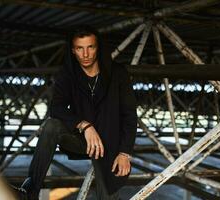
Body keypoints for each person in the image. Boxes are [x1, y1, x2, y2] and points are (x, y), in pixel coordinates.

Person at [16, 25, 137, 200]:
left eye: (90, 47)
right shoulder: (68, 74)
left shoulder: (118, 73)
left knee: (109, 195)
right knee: (52, 125)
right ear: (73, 51)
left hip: (110, 144)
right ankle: (30, 189)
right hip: (81, 140)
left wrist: (125, 153)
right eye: (80, 48)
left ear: (98, 48)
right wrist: (85, 125)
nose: (85, 54)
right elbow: (56, 109)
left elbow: (129, 115)